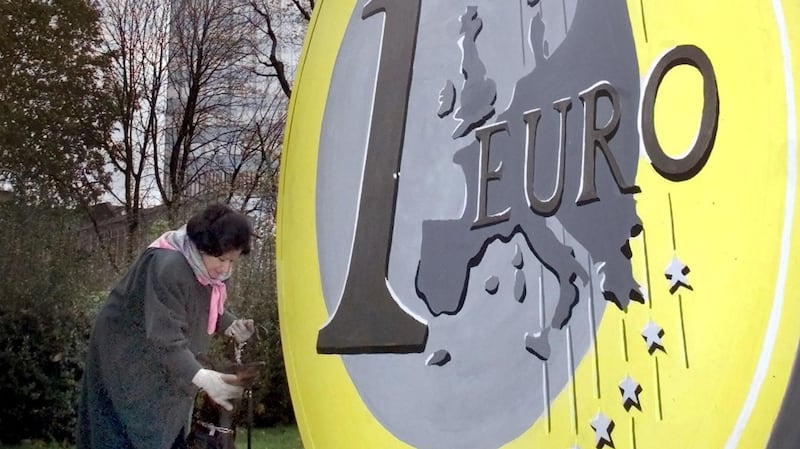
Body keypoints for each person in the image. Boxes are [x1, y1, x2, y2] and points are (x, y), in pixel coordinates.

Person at [76, 203, 258, 449]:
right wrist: (203, 377)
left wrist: (229, 324)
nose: (225, 268)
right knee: (132, 430)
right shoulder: (169, 265)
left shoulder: (207, 268)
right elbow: (164, 335)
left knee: (168, 424)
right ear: (202, 247)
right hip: (127, 357)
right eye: (221, 259)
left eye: (232, 261)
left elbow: (200, 304)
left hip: (162, 359)